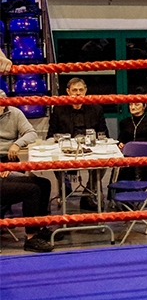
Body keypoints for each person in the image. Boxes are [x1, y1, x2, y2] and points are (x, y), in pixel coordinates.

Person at [0, 88, 53, 253]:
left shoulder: (14, 113)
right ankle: (30, 238)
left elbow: (31, 133)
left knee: (44, 184)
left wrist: (17, 144)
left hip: (9, 163)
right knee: (32, 190)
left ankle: (39, 228)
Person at [47, 77, 109, 210]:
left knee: (103, 163)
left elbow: (104, 133)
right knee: (52, 161)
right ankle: (65, 187)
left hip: (90, 149)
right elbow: (51, 134)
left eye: (81, 90)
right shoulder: (58, 109)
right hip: (66, 150)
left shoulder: (96, 108)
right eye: (74, 90)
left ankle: (89, 191)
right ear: (68, 92)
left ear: (86, 91)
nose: (78, 93)